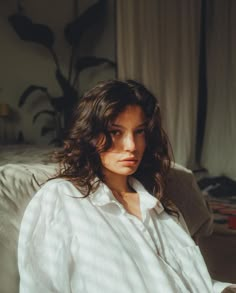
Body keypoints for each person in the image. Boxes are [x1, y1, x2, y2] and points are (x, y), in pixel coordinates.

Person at [18, 80, 235, 293]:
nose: (131, 146)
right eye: (116, 132)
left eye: (139, 131)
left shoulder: (163, 208)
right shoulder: (61, 197)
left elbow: (189, 280)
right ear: (91, 136)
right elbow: (40, 285)